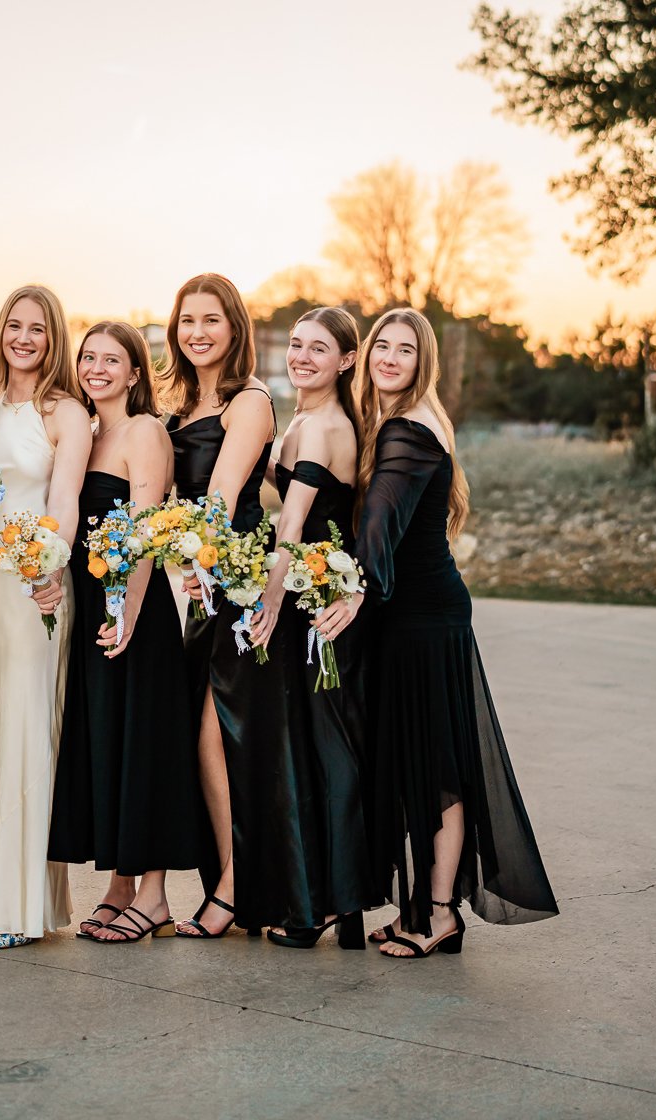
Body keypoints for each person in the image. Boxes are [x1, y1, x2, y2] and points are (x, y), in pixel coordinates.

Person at [318, 307, 558, 958]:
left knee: (436, 773)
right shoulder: (393, 425)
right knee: (412, 769)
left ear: (424, 363)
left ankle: (440, 913)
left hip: (425, 622)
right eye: (382, 347)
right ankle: (423, 907)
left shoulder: (409, 431)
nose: (390, 358)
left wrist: (355, 586)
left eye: (406, 350)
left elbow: (381, 528)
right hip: (410, 616)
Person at [48, 322, 212, 943]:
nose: (96, 368)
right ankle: (119, 886)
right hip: (94, 607)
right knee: (107, 744)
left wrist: (127, 613)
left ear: (136, 373)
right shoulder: (89, 434)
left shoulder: (144, 432)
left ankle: (154, 896)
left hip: (133, 614)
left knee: (144, 745)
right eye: (88, 357)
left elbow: (143, 531)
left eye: (111, 360)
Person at [0, 285, 90, 949]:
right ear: (0, 332)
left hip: (33, 590)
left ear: (52, 337)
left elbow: (64, 503)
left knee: (30, 733)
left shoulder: (65, 412)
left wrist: (50, 567)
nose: (24, 338)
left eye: (37, 328)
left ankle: (22, 907)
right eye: (14, 326)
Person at [160, 274, 299, 940]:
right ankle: (232, 879)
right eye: (188, 320)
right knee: (205, 738)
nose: (198, 332)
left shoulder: (250, 400)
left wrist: (193, 558)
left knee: (225, 735)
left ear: (235, 327)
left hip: (236, 581)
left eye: (211, 320)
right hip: (197, 585)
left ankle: (235, 889)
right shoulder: (175, 402)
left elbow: (218, 494)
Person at [259, 307, 379, 951]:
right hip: (320, 596)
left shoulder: (323, 426)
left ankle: (320, 907)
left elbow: (293, 527)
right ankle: (338, 905)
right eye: (296, 345)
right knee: (321, 754)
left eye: (318, 349)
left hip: (317, 616)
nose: (301, 357)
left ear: (346, 360)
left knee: (322, 758)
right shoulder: (305, 418)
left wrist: (271, 603)